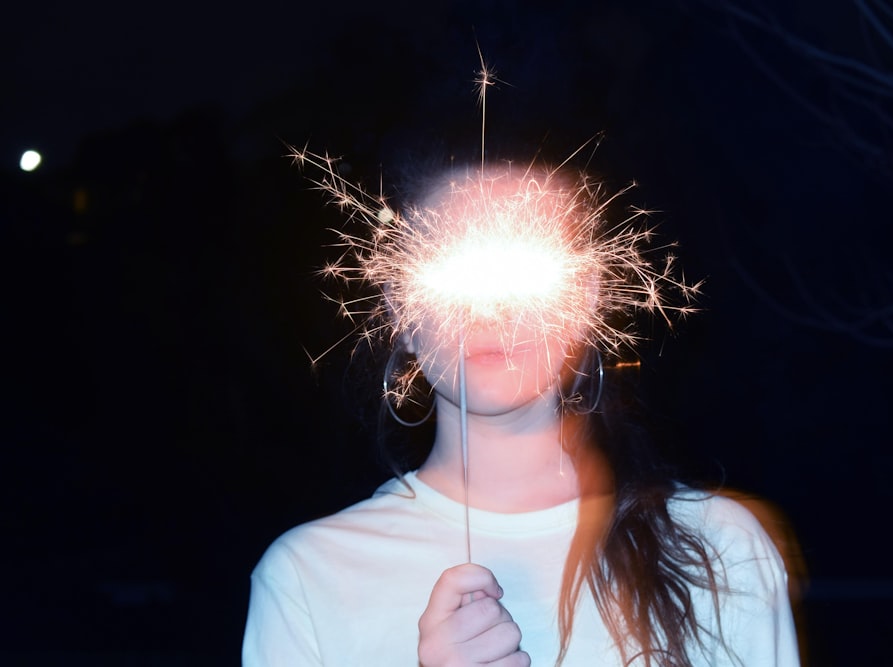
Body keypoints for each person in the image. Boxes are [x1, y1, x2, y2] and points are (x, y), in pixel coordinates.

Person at [242, 164, 799, 666]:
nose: (493, 308)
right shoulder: (310, 578)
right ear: (400, 308)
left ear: (584, 299)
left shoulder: (718, 550)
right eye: (454, 262)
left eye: (525, 260)